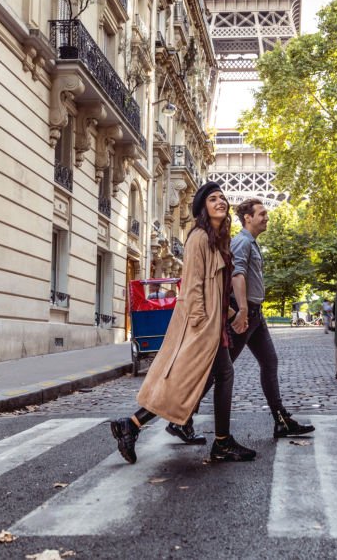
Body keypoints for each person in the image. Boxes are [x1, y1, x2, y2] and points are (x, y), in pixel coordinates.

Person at [110, 182, 256, 464]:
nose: (220, 202)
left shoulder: (216, 239)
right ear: (203, 207)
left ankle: (133, 424)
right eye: (213, 199)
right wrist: (203, 324)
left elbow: (215, 289)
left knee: (195, 381)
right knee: (203, 378)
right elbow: (192, 286)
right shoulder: (199, 238)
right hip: (201, 326)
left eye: (223, 198)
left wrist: (229, 315)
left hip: (213, 324)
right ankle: (221, 442)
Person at [170, 198, 314, 441]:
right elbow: (236, 275)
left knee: (269, 362)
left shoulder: (252, 244)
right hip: (243, 314)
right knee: (221, 371)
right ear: (248, 217)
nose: (267, 217)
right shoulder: (241, 242)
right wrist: (243, 311)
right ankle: (181, 418)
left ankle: (281, 420)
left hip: (255, 314)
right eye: (262, 213)